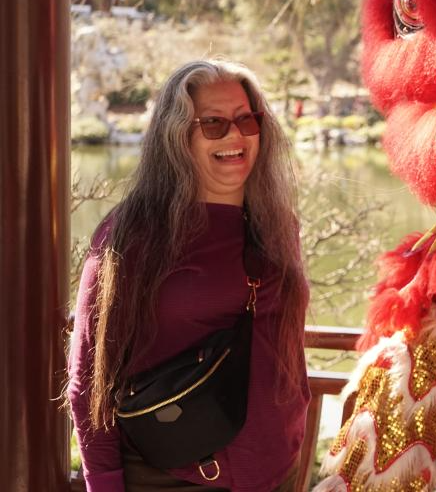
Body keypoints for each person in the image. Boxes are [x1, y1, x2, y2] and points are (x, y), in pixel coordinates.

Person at [68, 59, 310, 492]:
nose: (235, 136)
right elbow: (89, 377)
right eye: (214, 124)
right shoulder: (132, 233)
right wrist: (103, 482)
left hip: (277, 473)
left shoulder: (278, 225)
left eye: (246, 120)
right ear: (178, 136)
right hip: (167, 476)